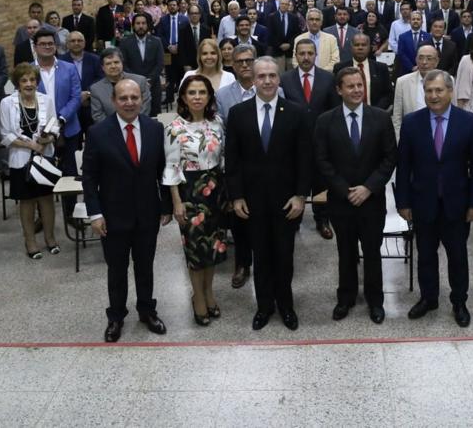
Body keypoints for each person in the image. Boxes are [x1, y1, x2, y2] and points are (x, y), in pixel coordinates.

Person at [225, 57, 311, 331]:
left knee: (284, 256)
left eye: (272, 75)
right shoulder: (239, 113)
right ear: (253, 76)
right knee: (260, 256)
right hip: (252, 202)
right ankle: (264, 306)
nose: (267, 81)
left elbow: (304, 159)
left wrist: (300, 196)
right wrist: (236, 196)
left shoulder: (296, 112)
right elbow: (233, 160)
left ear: (279, 78)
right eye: (261, 76)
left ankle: (286, 305)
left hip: (287, 201)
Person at [396, 70, 473, 327]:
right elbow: (404, 166)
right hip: (423, 202)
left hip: (457, 205)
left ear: (450, 92)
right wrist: (403, 202)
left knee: (457, 256)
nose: (433, 96)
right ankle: (429, 298)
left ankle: (459, 301)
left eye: (439, 90)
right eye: (429, 91)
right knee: (425, 255)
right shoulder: (412, 122)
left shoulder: (467, 121)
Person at [84, 79, 171, 343]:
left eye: (134, 97)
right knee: (117, 270)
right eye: (124, 98)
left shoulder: (155, 129)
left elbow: (162, 171)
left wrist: (166, 206)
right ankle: (116, 317)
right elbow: (89, 177)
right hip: (113, 216)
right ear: (114, 101)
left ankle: (147, 311)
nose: (130, 102)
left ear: (141, 100)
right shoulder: (98, 132)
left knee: (145, 266)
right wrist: (95, 214)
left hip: (147, 213)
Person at [314, 67, 397, 324]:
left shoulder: (381, 118)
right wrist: (344, 189)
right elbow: (322, 160)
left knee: (372, 251)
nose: (357, 90)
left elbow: (390, 157)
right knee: (346, 251)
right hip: (341, 201)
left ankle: (375, 300)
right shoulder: (325, 121)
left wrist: (368, 188)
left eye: (359, 85)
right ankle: (346, 298)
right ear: (339, 90)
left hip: (372, 200)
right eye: (350, 86)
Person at [163, 75, 227, 326]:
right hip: (189, 193)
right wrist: (176, 202)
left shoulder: (218, 123)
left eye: (202, 92)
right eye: (192, 93)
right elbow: (170, 167)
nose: (197, 97)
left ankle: (209, 291)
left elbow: (223, 160)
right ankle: (197, 296)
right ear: (183, 98)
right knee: (195, 250)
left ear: (210, 96)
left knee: (214, 247)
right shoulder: (174, 128)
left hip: (216, 191)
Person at [0, 64, 59, 259]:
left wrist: (47, 139)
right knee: (27, 201)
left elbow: (54, 126)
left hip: (44, 158)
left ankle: (50, 238)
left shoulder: (46, 100)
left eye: (32, 80)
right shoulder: (7, 103)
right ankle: (30, 241)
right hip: (21, 160)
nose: (29, 84)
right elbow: (5, 135)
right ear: (17, 83)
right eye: (24, 80)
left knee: (46, 199)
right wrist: (32, 146)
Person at [279, 40, 336, 241]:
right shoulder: (284, 79)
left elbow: (333, 110)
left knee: (322, 182)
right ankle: (295, 217)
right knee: (296, 180)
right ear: (295, 55)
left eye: (310, 53)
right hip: (294, 142)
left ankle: (322, 220)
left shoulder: (328, 78)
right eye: (301, 53)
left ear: (315, 55)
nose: (306, 57)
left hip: (322, 142)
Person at [32, 29, 82, 176]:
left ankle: (70, 200)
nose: (47, 47)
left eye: (50, 43)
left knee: (70, 175)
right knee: (44, 177)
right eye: (42, 44)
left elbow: (76, 97)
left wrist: (61, 119)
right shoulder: (27, 70)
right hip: (39, 132)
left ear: (55, 46)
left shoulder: (69, 68)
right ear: (35, 47)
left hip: (69, 128)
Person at [58, 31, 104, 138]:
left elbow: (100, 78)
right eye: (73, 41)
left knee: (94, 139)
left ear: (84, 43)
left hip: (91, 106)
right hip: (70, 109)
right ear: (67, 44)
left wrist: (87, 93)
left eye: (79, 40)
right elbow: (61, 83)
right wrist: (78, 96)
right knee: (73, 143)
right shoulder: (60, 61)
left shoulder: (95, 59)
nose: (76, 43)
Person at [119, 13, 164, 116]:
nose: (141, 26)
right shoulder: (125, 42)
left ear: (147, 25)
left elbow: (160, 64)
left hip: (153, 85)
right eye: (138, 23)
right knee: (134, 115)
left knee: (154, 116)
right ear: (133, 26)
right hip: (132, 86)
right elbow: (123, 64)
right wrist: (137, 81)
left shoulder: (156, 41)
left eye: (143, 23)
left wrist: (149, 81)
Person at [393, 45, 442, 137]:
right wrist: (399, 141)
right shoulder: (402, 82)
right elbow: (397, 117)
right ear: (416, 60)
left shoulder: (447, 80)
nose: (424, 62)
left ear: (436, 62)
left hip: (439, 134)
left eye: (429, 58)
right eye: (421, 58)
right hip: (412, 136)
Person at [334, 34, 393, 110]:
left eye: (364, 45)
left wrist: (374, 111)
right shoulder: (340, 68)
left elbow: (388, 94)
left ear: (369, 47)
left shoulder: (381, 68)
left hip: (375, 114)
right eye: (357, 45)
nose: (360, 47)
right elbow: (335, 94)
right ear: (351, 47)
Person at [90, 48, 150, 122]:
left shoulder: (140, 81)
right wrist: (119, 128)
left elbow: (145, 109)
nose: (113, 66)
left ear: (122, 63)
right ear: (103, 67)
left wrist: (131, 125)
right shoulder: (96, 89)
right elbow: (98, 116)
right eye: (108, 63)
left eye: (116, 62)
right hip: (111, 131)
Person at [157, 0, 189, 107]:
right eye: (170, 5)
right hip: (167, 52)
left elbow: (186, 36)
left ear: (178, 6)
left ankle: (182, 98)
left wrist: (178, 46)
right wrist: (169, 46)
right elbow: (160, 35)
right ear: (168, 7)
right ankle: (169, 97)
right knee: (169, 75)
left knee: (181, 74)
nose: (172, 7)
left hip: (181, 51)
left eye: (174, 5)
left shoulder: (185, 19)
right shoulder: (163, 20)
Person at [267, 0, 301, 72]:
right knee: (279, 75)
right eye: (282, 4)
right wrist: (280, 45)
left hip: (290, 51)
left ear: (289, 5)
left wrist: (289, 44)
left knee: (291, 74)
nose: (284, 5)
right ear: (279, 4)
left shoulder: (294, 18)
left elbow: (297, 33)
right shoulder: (271, 17)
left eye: (286, 4)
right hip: (277, 51)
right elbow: (270, 34)